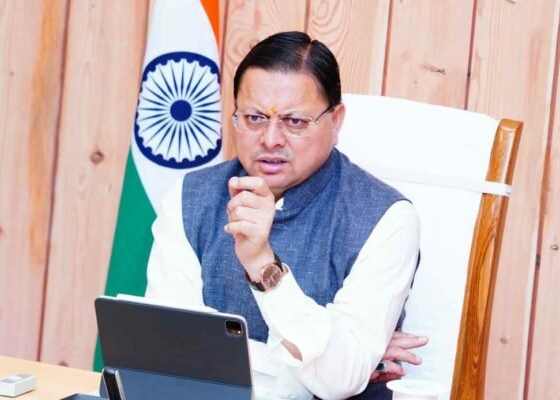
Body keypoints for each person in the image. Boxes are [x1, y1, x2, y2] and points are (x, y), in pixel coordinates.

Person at [145, 31, 426, 399]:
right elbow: (165, 354)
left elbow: (338, 383)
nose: (271, 139)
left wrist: (263, 265)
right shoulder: (189, 197)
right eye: (255, 118)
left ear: (336, 121)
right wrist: (326, 359)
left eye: (294, 122)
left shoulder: (387, 219)